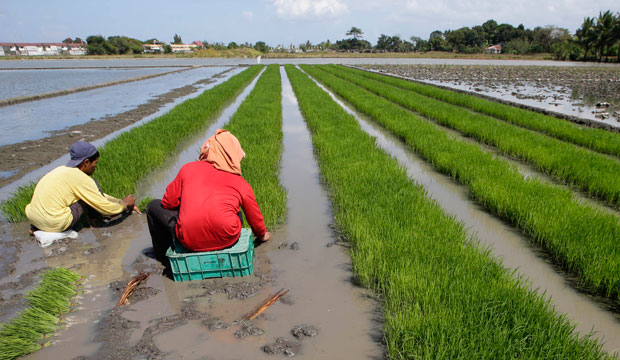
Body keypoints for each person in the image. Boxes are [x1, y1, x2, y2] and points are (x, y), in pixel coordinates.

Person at [147, 129, 271, 265]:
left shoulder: (188, 169)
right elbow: (254, 215)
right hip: (227, 238)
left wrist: (188, 204)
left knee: (153, 205)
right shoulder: (240, 182)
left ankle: (163, 258)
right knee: (234, 208)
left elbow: (167, 203)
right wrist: (262, 234)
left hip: (188, 240)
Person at [25, 141, 139, 234]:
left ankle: (38, 227)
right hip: (55, 222)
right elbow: (105, 207)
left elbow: (100, 196)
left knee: (82, 198)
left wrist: (120, 200)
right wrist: (125, 205)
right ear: (86, 162)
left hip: (33, 217)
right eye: (95, 163)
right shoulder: (81, 178)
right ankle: (96, 222)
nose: (96, 167)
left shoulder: (60, 170)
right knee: (88, 198)